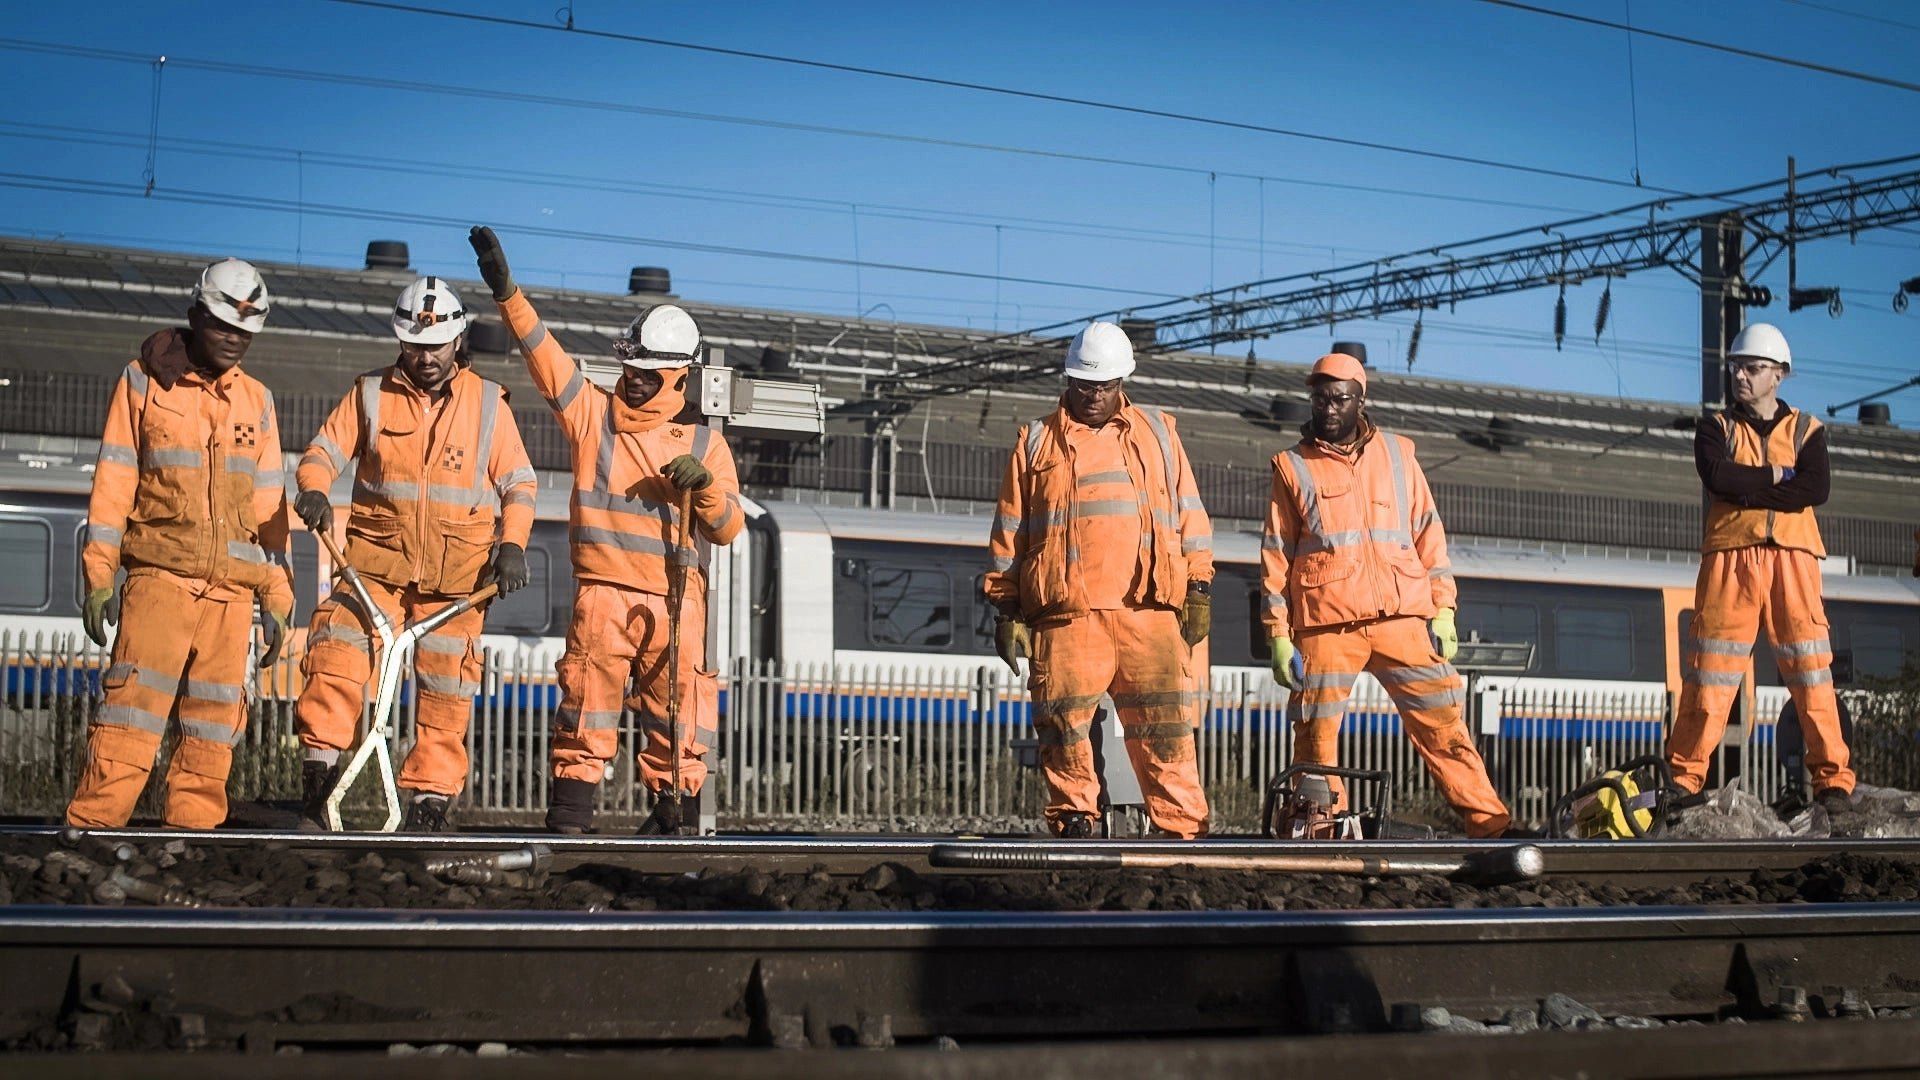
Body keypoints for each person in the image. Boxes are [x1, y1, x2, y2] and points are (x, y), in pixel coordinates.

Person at [469, 226, 742, 835]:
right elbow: (545, 358)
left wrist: (704, 487)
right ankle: (570, 819)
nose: (633, 378)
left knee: (679, 715)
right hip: (603, 594)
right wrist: (508, 294)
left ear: (678, 377)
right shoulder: (593, 415)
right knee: (586, 705)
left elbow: (727, 529)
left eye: (647, 372)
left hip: (676, 599)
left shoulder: (706, 445)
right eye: (630, 367)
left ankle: (674, 820)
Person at [291, 276, 536, 832]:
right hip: (373, 571)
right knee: (336, 652)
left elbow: (519, 484)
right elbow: (321, 454)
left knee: (447, 689)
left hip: (456, 582)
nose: (425, 357)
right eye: (414, 345)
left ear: (458, 341)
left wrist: (513, 545)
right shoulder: (369, 394)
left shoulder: (489, 405)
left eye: (436, 346)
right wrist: (314, 488)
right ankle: (317, 785)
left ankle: (429, 806)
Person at [67, 258, 293, 829]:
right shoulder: (142, 383)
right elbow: (114, 483)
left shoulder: (258, 402)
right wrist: (99, 577)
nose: (235, 340)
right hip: (160, 583)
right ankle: (92, 829)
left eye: (246, 332)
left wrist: (278, 598)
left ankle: (192, 840)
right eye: (224, 326)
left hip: (231, 598)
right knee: (130, 715)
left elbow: (271, 515)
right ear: (196, 316)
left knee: (212, 731)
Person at [1260, 352, 1516, 838]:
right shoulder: (1293, 466)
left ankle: (1491, 825)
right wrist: (1277, 634)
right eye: (1320, 399)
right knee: (1316, 734)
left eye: (1339, 399)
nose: (1328, 408)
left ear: (1361, 400)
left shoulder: (1399, 455)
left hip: (1402, 616)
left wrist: (1444, 608)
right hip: (1327, 622)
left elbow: (1428, 535)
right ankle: (1320, 830)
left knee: (1444, 723)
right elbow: (1276, 556)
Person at [983, 322, 1213, 839]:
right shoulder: (1036, 441)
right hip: (1067, 614)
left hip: (1148, 610)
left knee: (1166, 729)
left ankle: (1183, 833)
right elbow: (1010, 530)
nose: (1093, 396)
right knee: (1063, 727)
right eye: (1084, 385)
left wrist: (1198, 587)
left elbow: (1190, 516)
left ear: (1121, 382)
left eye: (1103, 386)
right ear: (1069, 380)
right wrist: (1006, 608)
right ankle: (1075, 822)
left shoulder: (1159, 434)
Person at [1667, 322, 1854, 813]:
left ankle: (1833, 781)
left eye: (1752, 368)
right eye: (1736, 368)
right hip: (1731, 559)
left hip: (1794, 560)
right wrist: (1776, 476)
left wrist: (1747, 490)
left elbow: (1814, 489)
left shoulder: (1808, 430)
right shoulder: (1715, 428)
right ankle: (1683, 778)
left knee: (1812, 673)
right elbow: (1718, 477)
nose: (1740, 376)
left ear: (1779, 374)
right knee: (1710, 673)